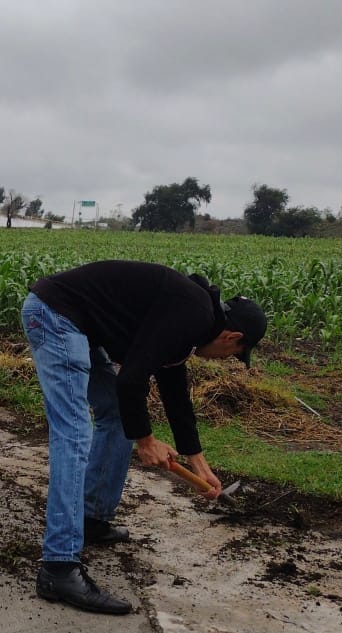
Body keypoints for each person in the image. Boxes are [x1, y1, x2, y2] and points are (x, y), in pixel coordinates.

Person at [21, 260, 266, 615]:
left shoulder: (194, 318)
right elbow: (131, 379)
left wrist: (198, 461)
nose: (223, 360)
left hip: (75, 323)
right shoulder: (193, 315)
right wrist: (146, 440)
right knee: (74, 434)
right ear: (232, 338)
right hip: (56, 316)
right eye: (233, 356)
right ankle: (58, 567)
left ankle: (90, 520)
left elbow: (174, 389)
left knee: (119, 414)